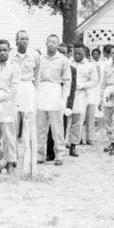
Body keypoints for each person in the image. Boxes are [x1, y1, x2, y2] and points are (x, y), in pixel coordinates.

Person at [36, 35, 72, 165]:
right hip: (41, 91)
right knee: (40, 128)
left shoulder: (63, 60)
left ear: (58, 45)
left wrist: (64, 99)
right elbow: (36, 77)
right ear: (46, 43)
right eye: (50, 42)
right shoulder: (40, 58)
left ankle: (60, 155)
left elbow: (67, 81)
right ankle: (40, 155)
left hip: (55, 92)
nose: (52, 44)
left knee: (57, 128)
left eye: (55, 43)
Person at [0, 39, 19, 174]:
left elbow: (13, 88)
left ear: (9, 51)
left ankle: (11, 162)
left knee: (9, 136)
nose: (2, 52)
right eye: (0, 50)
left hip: (7, 105)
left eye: (5, 50)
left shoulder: (14, 67)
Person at [67, 42, 97, 157]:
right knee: (66, 119)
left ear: (84, 53)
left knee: (78, 121)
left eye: (80, 53)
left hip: (80, 94)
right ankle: (64, 143)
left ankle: (73, 145)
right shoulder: (68, 62)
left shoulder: (90, 65)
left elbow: (94, 81)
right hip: (68, 93)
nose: (77, 55)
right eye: (75, 53)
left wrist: (82, 85)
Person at [11, 30, 40, 139]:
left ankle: (27, 145)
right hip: (15, 87)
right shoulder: (11, 55)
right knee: (14, 117)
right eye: (21, 39)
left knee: (28, 117)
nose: (24, 41)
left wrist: (36, 92)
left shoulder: (35, 55)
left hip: (28, 86)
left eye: (26, 39)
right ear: (16, 41)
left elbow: (37, 74)